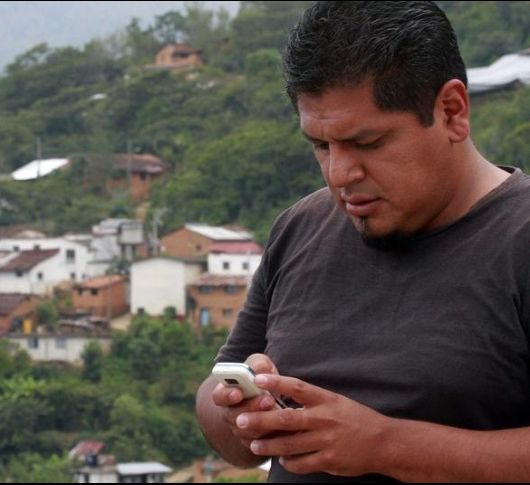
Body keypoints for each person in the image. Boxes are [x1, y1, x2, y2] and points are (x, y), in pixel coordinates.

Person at [195, 1, 530, 482]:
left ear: (452, 111)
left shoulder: (519, 239)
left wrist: (384, 446)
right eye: (321, 145)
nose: (340, 174)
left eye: (368, 144)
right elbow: (219, 402)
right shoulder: (301, 227)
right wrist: (236, 412)